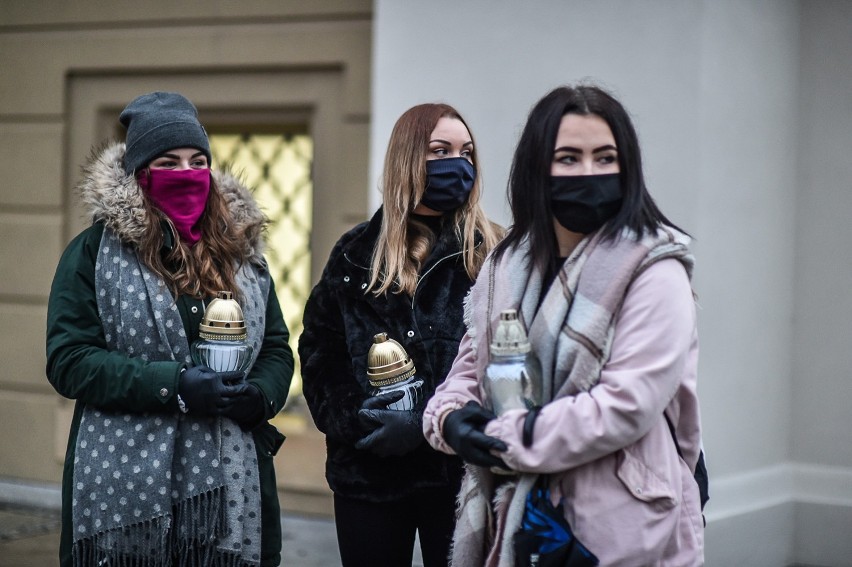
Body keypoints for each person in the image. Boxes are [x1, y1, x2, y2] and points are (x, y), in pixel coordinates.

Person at [423, 84, 705, 566]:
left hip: (621, 525)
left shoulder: (655, 268)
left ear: (627, 166)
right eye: (569, 158)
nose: (588, 172)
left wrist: (505, 440)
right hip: (512, 517)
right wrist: (450, 420)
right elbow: (469, 370)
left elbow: (625, 405)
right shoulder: (505, 265)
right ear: (538, 168)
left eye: (604, 157)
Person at [46, 91, 294, 567]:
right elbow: (69, 359)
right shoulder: (94, 254)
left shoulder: (242, 256)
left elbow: (277, 349)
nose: (186, 173)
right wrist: (173, 385)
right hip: (126, 490)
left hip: (234, 483)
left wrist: (259, 395)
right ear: (141, 175)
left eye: (198, 161)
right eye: (169, 162)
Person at [298, 103, 501, 566]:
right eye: (440, 150)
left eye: (466, 152)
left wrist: (426, 423)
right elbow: (318, 353)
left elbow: (507, 365)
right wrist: (358, 421)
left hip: (460, 475)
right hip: (370, 474)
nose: (458, 163)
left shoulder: (493, 253)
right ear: (407, 159)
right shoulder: (354, 253)